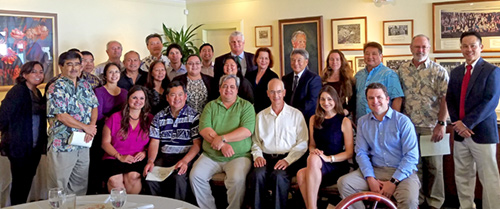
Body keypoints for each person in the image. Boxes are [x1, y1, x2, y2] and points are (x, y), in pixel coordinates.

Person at [338, 83, 419, 209]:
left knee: (409, 200)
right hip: (375, 169)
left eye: (379, 97)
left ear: (387, 99)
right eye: (371, 98)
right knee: (344, 184)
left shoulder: (403, 121)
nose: (375, 101)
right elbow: (361, 153)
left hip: (402, 172)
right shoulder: (363, 122)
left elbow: (411, 157)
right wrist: (370, 178)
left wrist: (393, 182)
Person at [446, 31, 500, 209]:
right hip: (461, 134)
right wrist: (458, 124)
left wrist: (466, 123)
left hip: (482, 134)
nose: (469, 49)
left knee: (489, 177)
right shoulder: (456, 72)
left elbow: (490, 101)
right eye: (465, 46)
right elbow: (450, 100)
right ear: (461, 48)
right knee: (462, 176)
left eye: (473, 46)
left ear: (481, 47)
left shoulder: (492, 71)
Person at [397, 34, 449, 209]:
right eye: (417, 47)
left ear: (429, 48)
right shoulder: (402, 70)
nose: (420, 50)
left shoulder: (439, 71)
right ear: (411, 48)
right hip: (408, 128)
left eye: (424, 47)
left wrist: (441, 124)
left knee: (434, 168)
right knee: (413, 166)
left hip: (432, 127)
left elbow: (445, 99)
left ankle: (435, 203)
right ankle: (416, 201)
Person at [190, 74, 256, 209]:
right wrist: (223, 146)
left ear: (237, 90)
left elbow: (246, 131)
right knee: (195, 176)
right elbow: (204, 129)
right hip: (211, 155)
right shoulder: (210, 106)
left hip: (238, 156)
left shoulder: (246, 106)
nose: (228, 90)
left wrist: (223, 138)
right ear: (219, 89)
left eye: (232, 87)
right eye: (225, 86)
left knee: (237, 179)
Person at [249, 79, 308, 209]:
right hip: (265, 158)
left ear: (284, 93)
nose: (276, 95)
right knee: (257, 175)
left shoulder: (296, 115)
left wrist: (288, 160)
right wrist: (257, 156)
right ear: (267, 94)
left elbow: (303, 142)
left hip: (288, 159)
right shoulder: (260, 116)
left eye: (279, 92)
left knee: (279, 176)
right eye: (272, 92)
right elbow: (255, 142)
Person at [46, 51, 99, 195]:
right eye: (69, 64)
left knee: (80, 186)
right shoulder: (56, 87)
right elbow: (61, 115)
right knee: (59, 186)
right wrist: (86, 127)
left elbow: (94, 106)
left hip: (83, 142)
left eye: (77, 64)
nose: (74, 68)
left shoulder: (85, 85)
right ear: (61, 66)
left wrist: (92, 127)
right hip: (62, 143)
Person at [296, 85, 353, 209]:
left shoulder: (344, 121)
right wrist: (314, 151)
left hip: (335, 164)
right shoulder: (313, 119)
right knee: (301, 173)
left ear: (335, 100)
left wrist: (328, 158)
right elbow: (311, 145)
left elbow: (349, 153)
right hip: (316, 164)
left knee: (313, 159)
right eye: (322, 99)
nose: (326, 103)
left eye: (329, 99)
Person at [144, 81, 201, 201]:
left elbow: (197, 145)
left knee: (178, 177)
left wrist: (185, 161)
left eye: (180, 95)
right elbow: (154, 142)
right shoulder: (159, 117)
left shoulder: (194, 116)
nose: (177, 98)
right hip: (165, 157)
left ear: (185, 96)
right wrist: (150, 161)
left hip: (185, 157)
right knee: (150, 176)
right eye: (173, 95)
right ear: (167, 97)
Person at [0, 61, 46, 205]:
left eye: (40, 71)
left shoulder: (37, 92)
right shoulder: (18, 91)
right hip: (19, 145)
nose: (38, 75)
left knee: (26, 181)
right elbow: (4, 115)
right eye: (34, 72)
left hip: (33, 146)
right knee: (20, 183)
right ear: (24, 74)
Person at [101, 85, 153, 194]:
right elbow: (105, 143)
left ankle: (132, 205)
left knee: (133, 176)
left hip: (137, 158)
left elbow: (155, 142)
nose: (138, 101)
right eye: (134, 97)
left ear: (145, 101)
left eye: (141, 98)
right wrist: (119, 156)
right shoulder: (114, 117)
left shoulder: (150, 119)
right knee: (114, 180)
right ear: (128, 98)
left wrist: (145, 152)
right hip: (114, 157)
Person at [89, 62, 129, 194]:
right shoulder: (99, 91)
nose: (114, 75)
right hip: (101, 131)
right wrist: (114, 120)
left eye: (116, 72)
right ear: (105, 75)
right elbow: (98, 114)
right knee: (98, 163)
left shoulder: (125, 92)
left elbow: (128, 113)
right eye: (110, 72)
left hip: (120, 133)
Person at [355, 42, 404, 120]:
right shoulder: (358, 75)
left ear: (381, 56)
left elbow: (397, 98)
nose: (370, 56)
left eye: (374, 54)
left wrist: (393, 121)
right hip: (362, 123)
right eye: (367, 54)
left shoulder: (389, 74)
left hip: (382, 122)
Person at [282, 49, 322, 123]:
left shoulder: (313, 78)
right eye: (293, 60)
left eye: (299, 60)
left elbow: (312, 101)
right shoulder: (285, 79)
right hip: (286, 119)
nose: (296, 63)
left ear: (306, 62)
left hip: (305, 119)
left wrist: (294, 114)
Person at [322, 49, 356, 117]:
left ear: (342, 61)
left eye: (337, 59)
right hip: (326, 115)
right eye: (332, 59)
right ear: (328, 62)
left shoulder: (349, 79)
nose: (334, 62)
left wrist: (345, 112)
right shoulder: (323, 79)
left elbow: (353, 100)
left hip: (343, 115)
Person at [245, 47, 279, 113]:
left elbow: (275, 97)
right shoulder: (249, 75)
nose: (263, 61)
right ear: (256, 59)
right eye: (261, 58)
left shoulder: (273, 77)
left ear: (269, 61)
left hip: (266, 111)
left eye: (266, 58)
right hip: (249, 111)